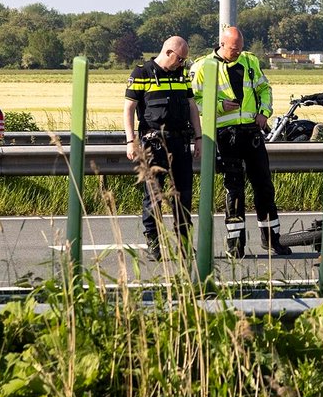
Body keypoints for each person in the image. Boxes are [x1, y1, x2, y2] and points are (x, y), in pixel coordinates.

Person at [190, 26, 291, 257]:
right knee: (234, 190)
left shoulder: (249, 61)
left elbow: (264, 89)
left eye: (240, 48)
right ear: (222, 44)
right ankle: (235, 245)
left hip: (252, 132)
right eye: (233, 49)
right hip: (226, 135)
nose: (237, 52)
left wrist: (264, 113)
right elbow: (193, 102)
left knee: (264, 187)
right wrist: (219, 106)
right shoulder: (203, 66)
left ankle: (272, 239)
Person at [123, 35, 202, 261]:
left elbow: (191, 106)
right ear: (168, 52)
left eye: (184, 60)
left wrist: (199, 137)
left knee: (183, 196)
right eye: (180, 59)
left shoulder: (181, 75)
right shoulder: (142, 73)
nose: (182, 63)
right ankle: (154, 242)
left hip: (180, 143)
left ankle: (184, 243)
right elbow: (129, 108)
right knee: (153, 196)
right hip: (153, 144)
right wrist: (130, 140)